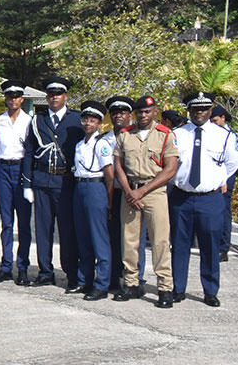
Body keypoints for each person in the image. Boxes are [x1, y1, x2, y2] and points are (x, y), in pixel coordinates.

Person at [170, 92, 238, 307]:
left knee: (209, 246)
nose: (199, 112)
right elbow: (168, 163)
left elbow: (232, 164)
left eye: (204, 108)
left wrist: (215, 180)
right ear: (188, 111)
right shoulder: (176, 134)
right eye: (195, 109)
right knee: (179, 245)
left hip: (210, 199)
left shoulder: (225, 136)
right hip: (181, 197)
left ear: (211, 110)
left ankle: (210, 290)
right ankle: (178, 288)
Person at [111, 95, 178, 307]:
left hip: (155, 191)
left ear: (154, 112)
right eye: (139, 112)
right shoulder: (125, 135)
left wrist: (144, 191)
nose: (143, 115)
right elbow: (118, 165)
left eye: (147, 112)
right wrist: (130, 191)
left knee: (160, 241)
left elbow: (170, 169)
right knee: (129, 241)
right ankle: (131, 284)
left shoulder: (165, 135)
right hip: (131, 190)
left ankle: (165, 288)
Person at [22, 77, 84, 290]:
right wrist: (27, 184)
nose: (54, 97)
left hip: (66, 182)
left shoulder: (77, 120)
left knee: (67, 231)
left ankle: (71, 273)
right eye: (50, 94)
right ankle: (45, 272)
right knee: (43, 229)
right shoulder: (38, 121)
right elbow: (29, 153)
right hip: (42, 181)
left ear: (65, 96)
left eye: (58, 94)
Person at [0, 80, 33, 284]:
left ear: (22, 99)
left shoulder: (30, 121)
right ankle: (6, 266)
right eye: (9, 97)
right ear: (5, 99)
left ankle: (22, 267)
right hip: (3, 169)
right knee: (7, 222)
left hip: (21, 168)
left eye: (16, 96)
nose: (13, 100)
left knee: (23, 223)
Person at [72, 101, 115, 301]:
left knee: (99, 238)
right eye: (85, 119)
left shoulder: (102, 144)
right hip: (80, 187)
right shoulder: (80, 144)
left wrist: (108, 200)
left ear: (99, 124)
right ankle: (84, 280)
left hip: (96, 187)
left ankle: (102, 284)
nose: (88, 123)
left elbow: (109, 175)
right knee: (83, 237)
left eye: (93, 120)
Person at [102, 95, 144, 292]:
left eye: (123, 112)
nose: (118, 116)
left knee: (135, 238)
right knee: (113, 237)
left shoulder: (137, 137)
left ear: (130, 115)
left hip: (133, 193)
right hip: (112, 193)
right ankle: (113, 276)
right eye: (115, 112)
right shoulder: (103, 139)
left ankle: (137, 278)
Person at [210, 106, 238, 262]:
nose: (213, 124)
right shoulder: (214, 134)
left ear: (223, 118)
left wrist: (223, 179)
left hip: (225, 178)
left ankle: (223, 248)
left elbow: (233, 162)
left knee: (224, 213)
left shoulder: (229, 136)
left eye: (215, 121)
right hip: (213, 179)